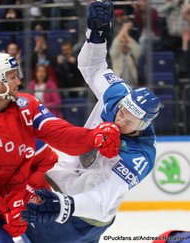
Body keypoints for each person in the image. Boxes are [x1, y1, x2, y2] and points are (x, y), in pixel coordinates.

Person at [0, 51, 121, 243]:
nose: (19, 81)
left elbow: (58, 132)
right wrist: (5, 207)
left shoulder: (26, 105)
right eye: (12, 76)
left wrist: (92, 138)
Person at [22, 1, 161, 243]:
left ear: (144, 125)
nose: (121, 118)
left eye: (129, 119)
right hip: (66, 177)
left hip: (86, 215)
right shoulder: (118, 94)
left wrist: (64, 206)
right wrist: (96, 36)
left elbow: (102, 199)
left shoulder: (140, 155)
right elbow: (93, 66)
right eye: (122, 111)